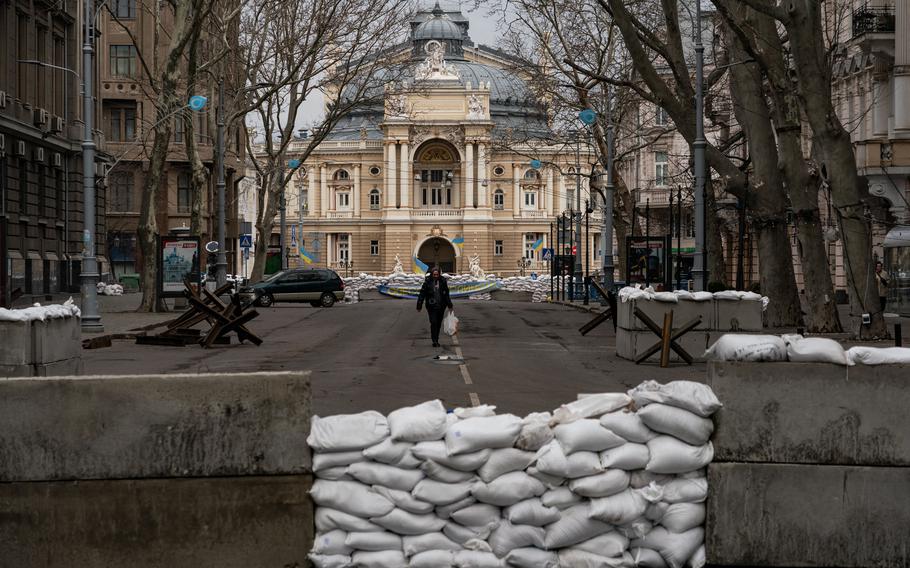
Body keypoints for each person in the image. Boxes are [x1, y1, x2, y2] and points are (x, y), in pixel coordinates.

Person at [416, 266, 453, 347]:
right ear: (432, 274)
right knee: (433, 322)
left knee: (438, 323)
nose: (436, 276)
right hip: (431, 306)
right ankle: (434, 341)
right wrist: (419, 305)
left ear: (439, 274)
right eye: (434, 274)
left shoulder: (443, 281)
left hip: (441, 305)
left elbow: (446, 294)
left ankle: (436, 338)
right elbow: (422, 294)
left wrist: (450, 305)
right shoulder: (427, 281)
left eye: (437, 274)